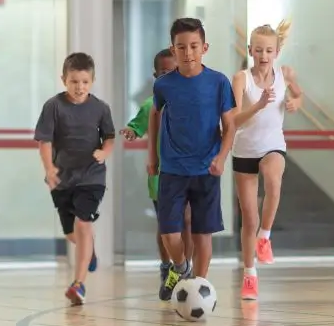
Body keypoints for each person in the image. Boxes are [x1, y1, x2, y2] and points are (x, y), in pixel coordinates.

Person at [147, 17, 236, 302]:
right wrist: (153, 156)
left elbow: (230, 126)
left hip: (206, 169)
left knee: (202, 232)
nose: (188, 53)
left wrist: (221, 158)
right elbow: (155, 116)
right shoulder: (164, 85)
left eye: (194, 46)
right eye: (181, 47)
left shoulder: (219, 82)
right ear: (173, 50)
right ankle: (181, 268)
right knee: (169, 231)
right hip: (172, 169)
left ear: (204, 47)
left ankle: (199, 287)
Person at [34, 52, 116, 305]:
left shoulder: (101, 108)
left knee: (83, 224)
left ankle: (78, 284)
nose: (79, 87)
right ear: (63, 80)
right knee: (72, 233)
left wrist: (104, 152)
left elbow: (110, 137)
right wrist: (49, 169)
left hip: (92, 178)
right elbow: (44, 141)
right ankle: (88, 250)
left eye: (84, 82)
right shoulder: (53, 106)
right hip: (62, 179)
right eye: (74, 82)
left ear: (92, 81)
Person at [232, 21, 303, 301]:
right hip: (244, 151)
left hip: (273, 145)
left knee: (273, 179)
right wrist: (258, 105)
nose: (263, 55)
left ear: (276, 52)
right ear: (250, 50)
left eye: (269, 50)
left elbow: (298, 95)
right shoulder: (241, 79)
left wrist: (297, 103)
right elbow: (234, 119)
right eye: (258, 50)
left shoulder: (284, 75)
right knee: (248, 218)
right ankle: (250, 274)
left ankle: (266, 236)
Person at [120, 48, 193, 292]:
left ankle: (184, 269)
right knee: (166, 226)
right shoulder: (151, 104)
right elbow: (137, 126)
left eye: (174, 71)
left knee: (187, 221)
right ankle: (166, 266)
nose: (170, 76)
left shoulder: (190, 101)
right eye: (164, 72)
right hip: (161, 178)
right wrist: (131, 131)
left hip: (187, 173)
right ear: (155, 76)